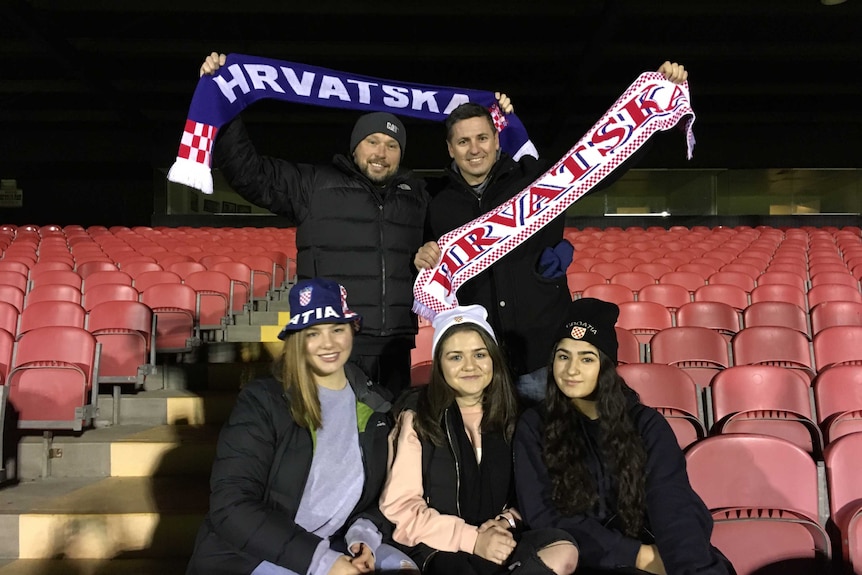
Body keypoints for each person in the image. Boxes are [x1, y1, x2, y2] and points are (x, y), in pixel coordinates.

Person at [414, 62, 689, 405]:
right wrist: (421, 256)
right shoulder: (434, 202)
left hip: (541, 353)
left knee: (550, 447)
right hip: (482, 361)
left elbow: (607, 164)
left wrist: (658, 106)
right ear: (450, 148)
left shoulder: (536, 181)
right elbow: (422, 258)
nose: (475, 149)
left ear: (497, 140)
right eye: (464, 141)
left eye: (482, 138)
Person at [200, 52, 429, 398]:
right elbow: (248, 174)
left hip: (396, 344)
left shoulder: (417, 196)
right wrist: (227, 103)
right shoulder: (313, 185)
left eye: (392, 145)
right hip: (333, 342)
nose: (381, 152)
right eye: (373, 142)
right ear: (355, 148)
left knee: (389, 442)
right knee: (331, 444)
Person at [186, 277, 417, 575]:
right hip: (253, 553)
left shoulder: (378, 404)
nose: (329, 343)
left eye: (337, 329)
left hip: (335, 543)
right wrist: (322, 563)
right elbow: (232, 507)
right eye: (313, 333)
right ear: (297, 339)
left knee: (404, 569)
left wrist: (364, 536)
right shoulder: (263, 402)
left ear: (352, 330)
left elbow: (385, 495)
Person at [512, 298, 735, 575]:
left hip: (657, 547)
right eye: (563, 356)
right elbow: (545, 515)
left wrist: (690, 567)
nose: (571, 370)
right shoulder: (534, 426)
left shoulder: (646, 423)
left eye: (586, 358)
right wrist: (636, 556)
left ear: (606, 366)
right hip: (584, 557)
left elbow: (671, 500)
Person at [379, 304, 579, 575]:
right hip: (441, 543)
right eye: (455, 357)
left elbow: (536, 493)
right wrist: (472, 540)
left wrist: (505, 523)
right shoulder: (418, 416)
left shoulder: (519, 415)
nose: (470, 366)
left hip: (500, 536)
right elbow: (400, 507)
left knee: (563, 551)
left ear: (493, 359)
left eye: (479, 354)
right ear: (439, 363)